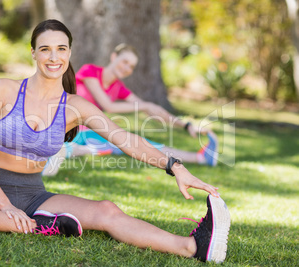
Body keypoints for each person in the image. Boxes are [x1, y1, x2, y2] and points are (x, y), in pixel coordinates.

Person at [0, 20, 230, 263]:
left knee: (107, 210)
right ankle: (41, 227)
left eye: (61, 49)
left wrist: (176, 166)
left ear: (69, 53)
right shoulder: (4, 90)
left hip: (35, 195)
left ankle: (192, 246)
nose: (53, 56)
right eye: (45, 49)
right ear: (33, 53)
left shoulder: (75, 106)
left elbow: (126, 140)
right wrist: (5, 205)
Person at [42, 44, 218, 176]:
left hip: (86, 131)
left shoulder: (118, 87)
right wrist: (145, 106)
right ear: (113, 57)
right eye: (124, 61)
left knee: (136, 142)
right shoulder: (90, 71)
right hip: (61, 124)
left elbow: (151, 110)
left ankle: (200, 158)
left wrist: (186, 125)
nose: (126, 68)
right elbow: (109, 106)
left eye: (131, 66)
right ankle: (65, 151)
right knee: (113, 142)